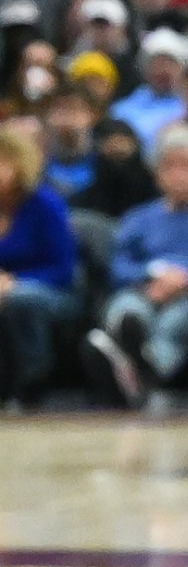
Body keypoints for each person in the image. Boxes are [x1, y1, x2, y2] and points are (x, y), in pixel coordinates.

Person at [90, 124, 188, 403]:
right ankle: (127, 357)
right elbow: (119, 266)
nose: (178, 175)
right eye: (169, 166)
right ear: (157, 174)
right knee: (128, 310)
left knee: (179, 319)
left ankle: (145, 370)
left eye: (187, 166)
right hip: (144, 290)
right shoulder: (138, 219)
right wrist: (150, 276)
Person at [0, 127, 81, 408]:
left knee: (19, 299)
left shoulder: (45, 205)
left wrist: (14, 282)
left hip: (53, 292)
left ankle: (31, 384)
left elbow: (63, 269)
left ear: (19, 165)